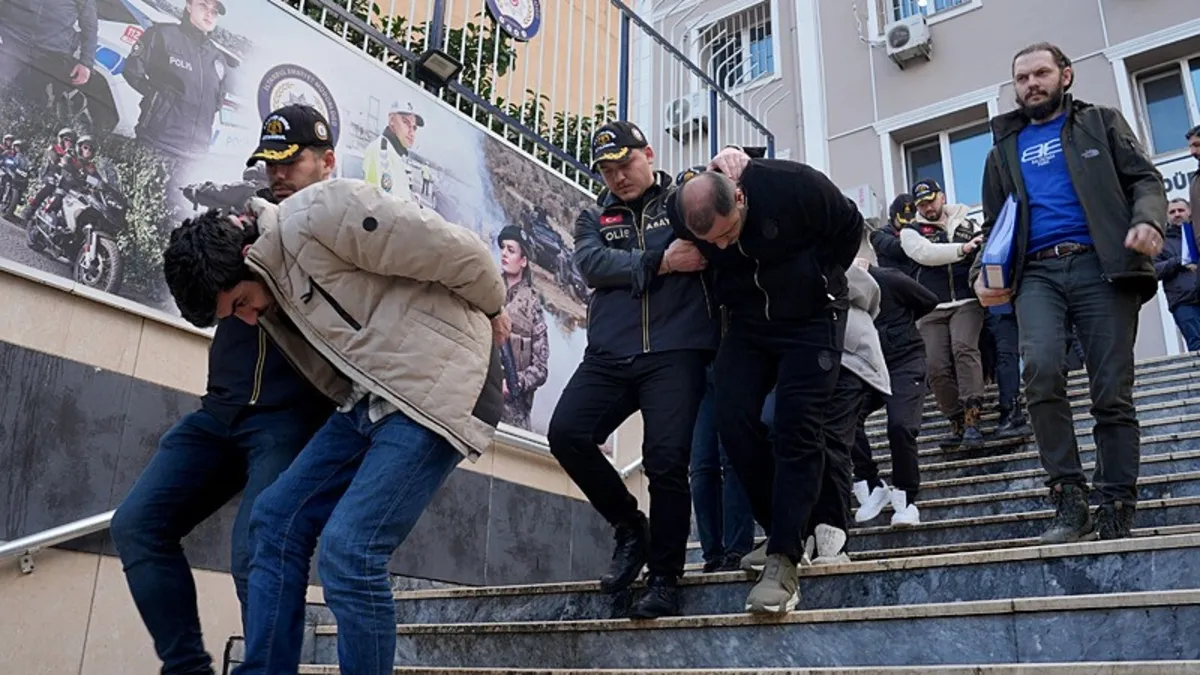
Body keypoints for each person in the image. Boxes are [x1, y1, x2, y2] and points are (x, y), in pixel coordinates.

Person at [164, 173, 509, 674]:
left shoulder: (323, 213)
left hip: (442, 383)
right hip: (373, 398)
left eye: (239, 303)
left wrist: (496, 305)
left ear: (245, 257)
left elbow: (459, 251)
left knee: (351, 551)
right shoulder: (272, 279)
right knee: (273, 520)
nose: (245, 317)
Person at [108, 104, 336, 675]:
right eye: (271, 164)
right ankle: (187, 668)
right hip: (219, 413)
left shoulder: (337, 223)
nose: (279, 174)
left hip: (289, 419)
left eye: (292, 162)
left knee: (257, 551)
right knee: (137, 524)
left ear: (325, 163)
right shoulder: (241, 211)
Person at [973, 42, 1167, 544]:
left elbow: (1144, 179)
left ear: (1066, 75)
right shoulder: (1002, 151)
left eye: (1040, 73)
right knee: (1038, 370)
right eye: (1022, 78)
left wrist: (1147, 220)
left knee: (1110, 392)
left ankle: (1116, 502)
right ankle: (1068, 498)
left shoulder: (1099, 123)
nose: (1031, 84)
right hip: (1036, 273)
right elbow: (995, 224)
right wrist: (983, 270)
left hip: (1102, 266)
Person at [670, 155, 865, 614]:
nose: (723, 242)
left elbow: (849, 226)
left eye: (728, 231)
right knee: (732, 421)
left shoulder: (792, 184)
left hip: (813, 319)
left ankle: (783, 558)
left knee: (796, 426)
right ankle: (783, 527)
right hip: (749, 323)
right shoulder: (684, 211)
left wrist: (818, 277)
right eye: (712, 241)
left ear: (739, 196)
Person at [547, 121, 717, 619]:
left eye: (626, 163)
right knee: (567, 434)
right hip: (610, 353)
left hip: (677, 350)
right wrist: (661, 261)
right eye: (607, 169)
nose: (618, 177)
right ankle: (629, 527)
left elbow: (706, 245)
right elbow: (593, 265)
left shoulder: (683, 199)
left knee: (666, 462)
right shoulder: (592, 216)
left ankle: (665, 578)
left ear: (648, 153)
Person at [901, 178, 987, 450]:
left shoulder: (968, 223)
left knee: (964, 348)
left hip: (967, 301)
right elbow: (925, 254)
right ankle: (956, 420)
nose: (927, 208)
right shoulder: (911, 231)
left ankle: (973, 418)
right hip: (931, 307)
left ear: (942, 197)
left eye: (931, 201)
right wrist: (963, 249)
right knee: (936, 365)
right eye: (921, 204)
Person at [850, 263, 938, 525]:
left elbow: (928, 300)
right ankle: (870, 481)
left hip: (905, 360)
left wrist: (903, 325)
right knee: (844, 417)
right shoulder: (836, 288)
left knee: (900, 425)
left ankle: (906, 496)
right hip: (869, 365)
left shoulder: (889, 278)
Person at [122, 0, 233, 158]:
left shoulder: (218, 59)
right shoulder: (162, 35)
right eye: (203, 6)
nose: (209, 14)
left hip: (196, 154)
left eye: (214, 12)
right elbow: (132, 71)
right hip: (157, 143)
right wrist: (159, 101)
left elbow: (216, 102)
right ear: (189, 6)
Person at [496, 225, 549, 430]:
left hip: (513, 410)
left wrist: (515, 382)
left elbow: (541, 368)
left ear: (523, 261)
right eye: (502, 248)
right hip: (479, 396)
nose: (504, 254)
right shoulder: (489, 289)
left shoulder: (532, 306)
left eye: (511, 250)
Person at [0, 0, 97, 105]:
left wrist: (86, 63)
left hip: (51, 54)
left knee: (36, 102)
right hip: (13, 40)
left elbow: (89, 26)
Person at [1155, 198, 1200, 350]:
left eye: (1181, 210)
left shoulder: (1198, 235)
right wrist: (1178, 261)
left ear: (1190, 212)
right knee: (1197, 345)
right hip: (1184, 302)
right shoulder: (1161, 242)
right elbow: (1153, 270)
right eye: (1172, 212)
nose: (1177, 214)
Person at [362, 100, 424, 202]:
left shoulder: (395, 154)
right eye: (406, 123)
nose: (412, 133)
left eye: (414, 128)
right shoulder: (382, 151)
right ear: (391, 120)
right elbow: (386, 203)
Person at [20, 127, 78, 225]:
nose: (69, 142)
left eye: (71, 140)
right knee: (50, 185)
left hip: (63, 180)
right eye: (67, 139)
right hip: (49, 174)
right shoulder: (54, 148)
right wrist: (60, 159)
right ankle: (30, 208)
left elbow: (75, 169)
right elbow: (52, 158)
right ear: (61, 139)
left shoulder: (72, 155)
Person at [872, 193, 919, 275]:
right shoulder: (879, 234)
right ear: (893, 216)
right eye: (903, 223)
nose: (906, 226)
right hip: (894, 285)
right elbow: (895, 247)